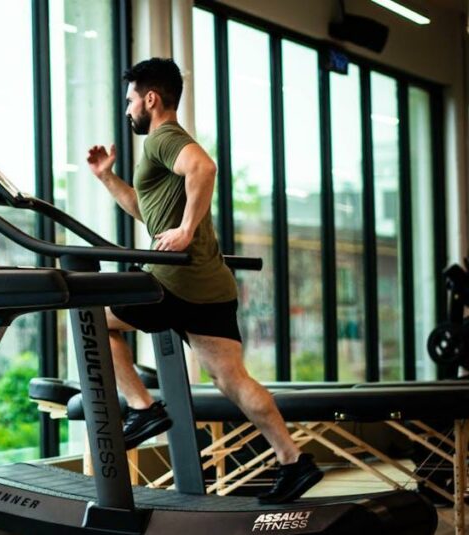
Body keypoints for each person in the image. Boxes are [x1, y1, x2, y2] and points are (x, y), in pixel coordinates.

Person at [86, 57, 322, 504]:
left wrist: (187, 231)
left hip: (173, 281)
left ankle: (142, 409)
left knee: (92, 317)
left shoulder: (164, 139)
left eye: (130, 100)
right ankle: (293, 461)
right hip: (210, 285)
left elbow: (205, 169)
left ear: (150, 99)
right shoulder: (164, 146)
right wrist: (107, 178)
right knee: (233, 380)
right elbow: (147, 210)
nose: (128, 109)